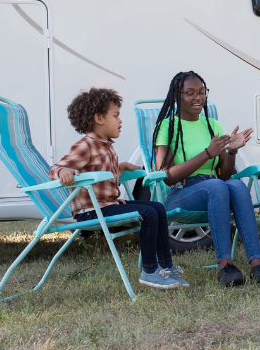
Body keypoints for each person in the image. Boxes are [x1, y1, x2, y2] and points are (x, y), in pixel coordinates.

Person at [49, 88, 186, 289]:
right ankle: (149, 271)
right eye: (116, 115)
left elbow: (100, 170)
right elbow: (57, 167)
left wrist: (121, 167)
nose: (120, 121)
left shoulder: (106, 145)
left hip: (108, 205)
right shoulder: (86, 145)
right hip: (91, 211)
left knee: (157, 207)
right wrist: (64, 172)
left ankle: (167, 267)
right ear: (99, 118)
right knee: (148, 213)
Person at [153, 71, 260, 286]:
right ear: (176, 97)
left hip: (213, 187)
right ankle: (225, 267)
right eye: (190, 93)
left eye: (202, 92)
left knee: (235, 184)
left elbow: (224, 174)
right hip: (182, 192)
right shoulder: (167, 127)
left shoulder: (213, 126)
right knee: (217, 186)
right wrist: (207, 153)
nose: (198, 98)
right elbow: (167, 176)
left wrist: (232, 151)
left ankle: (257, 266)